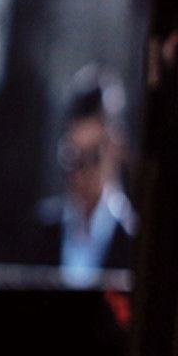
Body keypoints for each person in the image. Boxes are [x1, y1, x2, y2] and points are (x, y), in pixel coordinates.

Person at [31, 65, 138, 287]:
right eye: (74, 158)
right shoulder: (40, 231)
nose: (81, 174)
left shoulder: (134, 240)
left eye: (93, 157)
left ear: (117, 149)